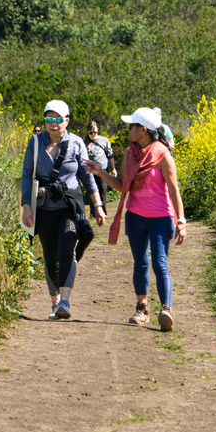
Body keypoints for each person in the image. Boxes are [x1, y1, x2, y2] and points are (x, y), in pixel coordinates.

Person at [85, 107, 186, 332]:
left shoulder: (162, 154)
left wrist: (181, 221)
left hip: (160, 218)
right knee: (140, 263)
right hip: (136, 217)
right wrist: (100, 172)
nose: (129, 129)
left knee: (160, 263)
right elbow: (123, 185)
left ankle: (166, 310)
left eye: (132, 126)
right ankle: (142, 309)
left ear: (143, 130)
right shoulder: (131, 153)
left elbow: (174, 190)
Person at [21, 100, 105, 320]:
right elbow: (27, 175)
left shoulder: (77, 143)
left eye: (58, 119)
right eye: (49, 119)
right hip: (44, 206)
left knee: (67, 247)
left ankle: (65, 301)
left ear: (67, 121)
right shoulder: (35, 143)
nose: (53, 123)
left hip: (69, 205)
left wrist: (97, 205)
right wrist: (26, 206)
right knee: (50, 256)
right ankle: (55, 302)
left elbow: (87, 177)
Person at [84, 120, 116, 216]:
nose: (93, 134)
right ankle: (93, 212)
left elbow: (110, 155)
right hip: (91, 171)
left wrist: (113, 168)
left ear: (98, 130)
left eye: (95, 132)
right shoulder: (85, 143)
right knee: (92, 190)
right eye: (91, 132)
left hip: (103, 169)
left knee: (103, 190)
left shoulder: (104, 140)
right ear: (88, 132)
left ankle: (103, 211)